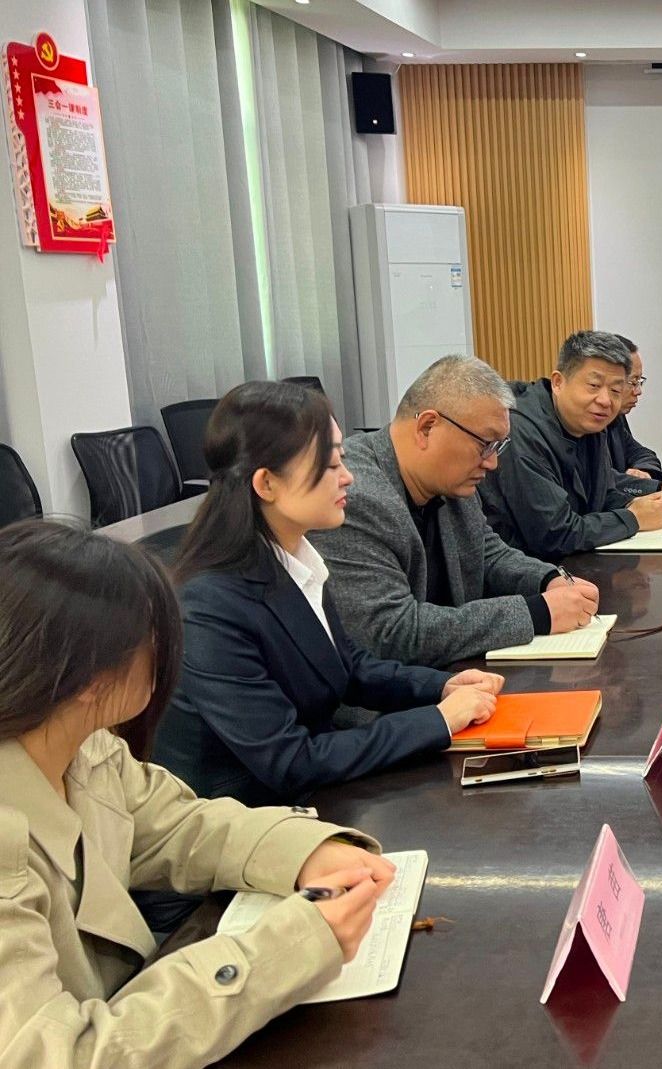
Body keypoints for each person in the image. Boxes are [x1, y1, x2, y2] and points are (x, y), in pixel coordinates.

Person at [0, 520, 392, 1068]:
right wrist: (286, 950)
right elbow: (58, 1055)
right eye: (151, 637)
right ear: (90, 678)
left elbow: (178, 825)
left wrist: (306, 850)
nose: (166, 653)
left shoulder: (80, 743)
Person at [151, 382, 502, 811]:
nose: (347, 476)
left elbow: (348, 666)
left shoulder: (292, 556)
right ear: (267, 483)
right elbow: (291, 760)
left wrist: (442, 686)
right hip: (243, 821)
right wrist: (438, 721)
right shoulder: (207, 607)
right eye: (330, 463)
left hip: (310, 797)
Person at [311, 355, 600, 668]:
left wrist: (548, 579)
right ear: (427, 427)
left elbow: (487, 554)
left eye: (498, 447)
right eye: (485, 444)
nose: (492, 463)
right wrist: (537, 613)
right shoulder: (352, 495)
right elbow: (390, 632)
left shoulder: (449, 480)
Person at [480, 331, 662, 559]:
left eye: (615, 390)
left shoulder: (591, 423)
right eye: (594, 385)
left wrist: (637, 503)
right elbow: (553, 534)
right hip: (527, 572)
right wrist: (633, 518)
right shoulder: (521, 433)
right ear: (558, 382)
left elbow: (601, 494)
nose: (605, 400)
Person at [608, 334, 662, 482]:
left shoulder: (614, 416)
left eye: (639, 381)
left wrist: (642, 471)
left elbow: (642, 454)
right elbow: (598, 481)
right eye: (633, 382)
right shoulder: (585, 422)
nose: (638, 391)